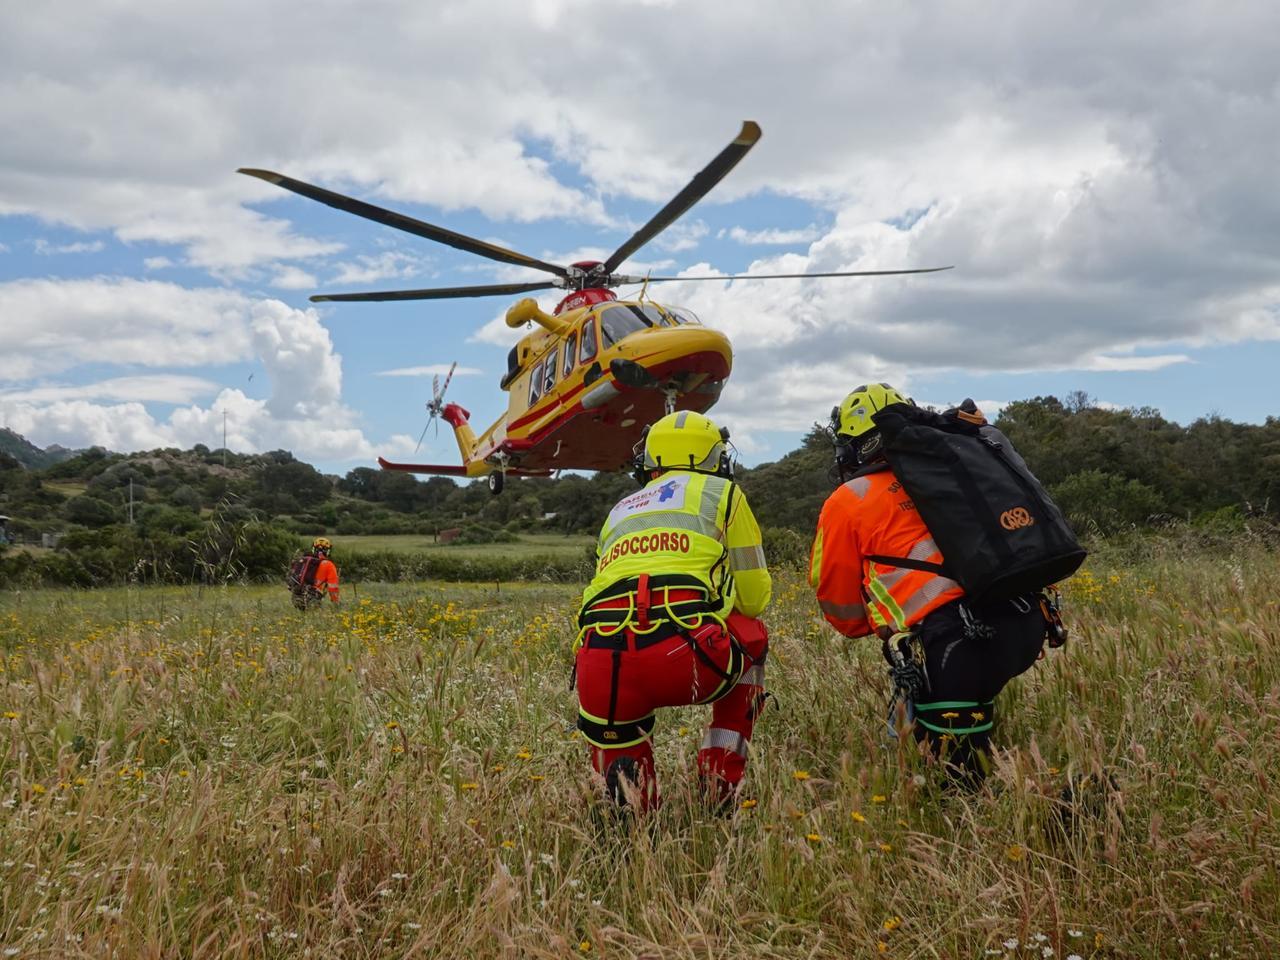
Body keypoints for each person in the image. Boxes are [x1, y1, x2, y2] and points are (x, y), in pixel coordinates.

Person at [810, 383, 1046, 785]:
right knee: (966, 739)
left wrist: (869, 625)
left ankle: (1060, 816)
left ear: (854, 445)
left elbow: (834, 592)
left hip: (954, 643)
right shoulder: (952, 470)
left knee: (956, 785)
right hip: (1024, 619)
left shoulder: (850, 498)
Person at [574, 411, 772, 811]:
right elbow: (753, 599)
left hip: (601, 663)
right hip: (689, 655)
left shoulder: (619, 510)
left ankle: (631, 825)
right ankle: (719, 786)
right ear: (716, 457)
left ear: (648, 460)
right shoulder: (723, 493)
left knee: (620, 750)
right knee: (752, 633)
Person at [290, 537, 340, 610]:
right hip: (313, 597)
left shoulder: (304, 560)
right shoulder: (329, 565)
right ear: (328, 551)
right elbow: (333, 588)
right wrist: (336, 604)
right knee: (314, 616)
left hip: (296, 597)